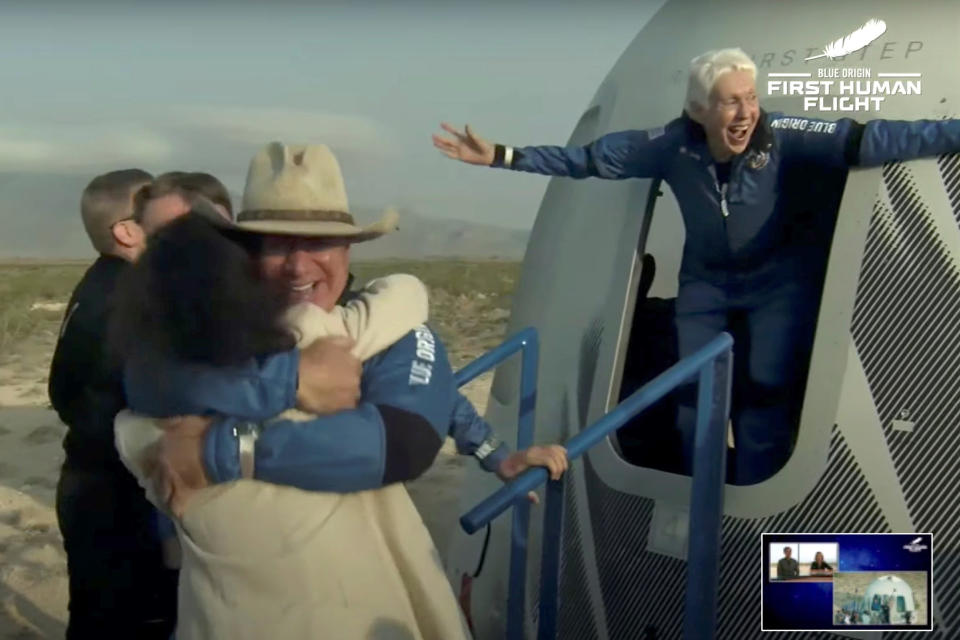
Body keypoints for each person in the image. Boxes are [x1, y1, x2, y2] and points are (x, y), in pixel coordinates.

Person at [432, 47, 960, 485]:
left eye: (751, 99)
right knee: (692, 402)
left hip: (776, 286)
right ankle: (700, 505)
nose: (746, 113)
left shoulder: (783, 134)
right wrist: (503, 156)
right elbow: (589, 160)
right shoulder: (671, 146)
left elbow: (870, 140)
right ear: (701, 110)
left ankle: (753, 513)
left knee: (764, 395)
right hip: (707, 286)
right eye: (731, 103)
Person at [113, 143, 566, 638]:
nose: (299, 266)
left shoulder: (388, 327)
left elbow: (404, 440)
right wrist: (290, 380)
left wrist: (218, 449)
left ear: (349, 249)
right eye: (277, 244)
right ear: (244, 253)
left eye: (319, 242)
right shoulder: (213, 340)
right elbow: (145, 378)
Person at [48, 168, 180, 639]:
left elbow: (61, 394)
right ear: (126, 230)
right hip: (120, 499)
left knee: (95, 617)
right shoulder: (132, 301)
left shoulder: (100, 284)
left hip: (88, 483)